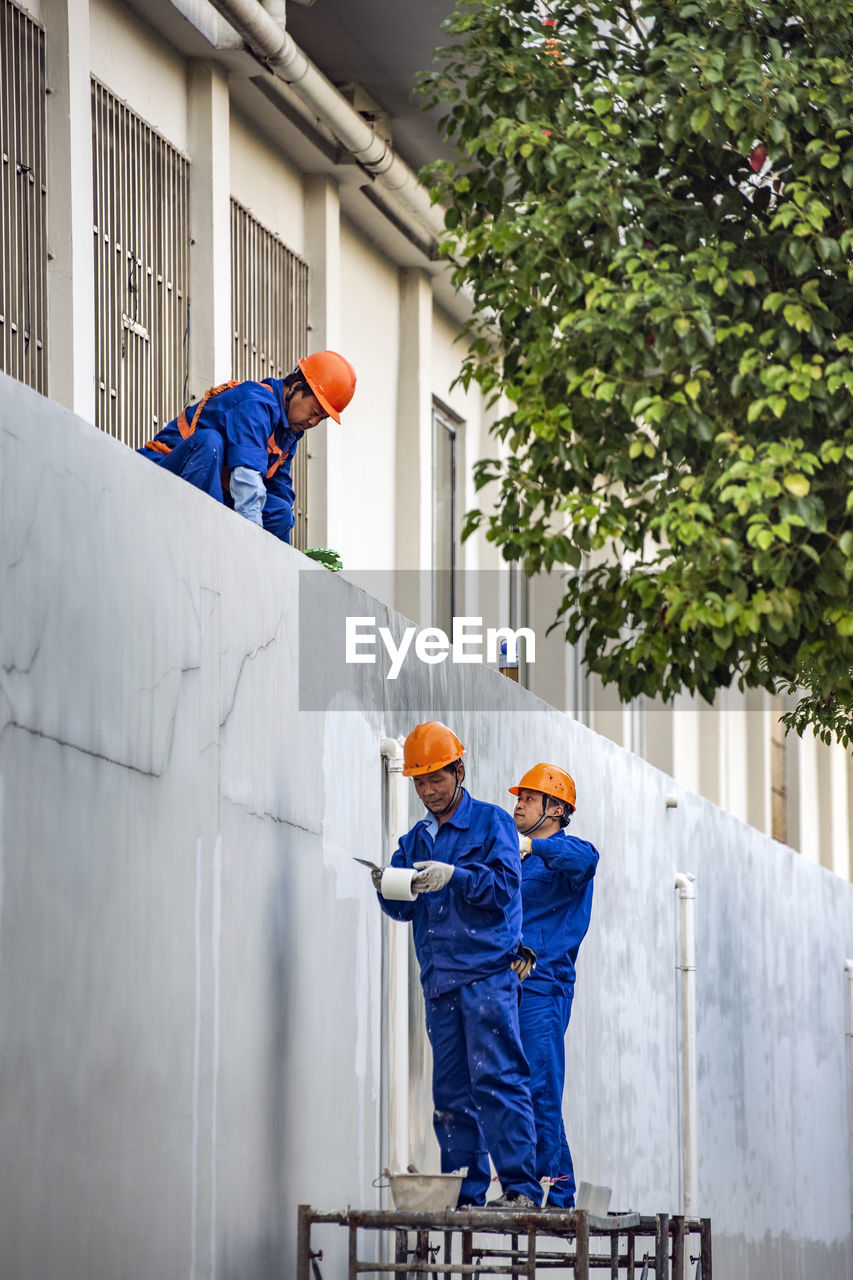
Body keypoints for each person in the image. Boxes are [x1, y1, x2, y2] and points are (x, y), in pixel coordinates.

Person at [374, 721, 542, 1210]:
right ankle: (467, 1195)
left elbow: (503, 890)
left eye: (436, 779)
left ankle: (521, 1191)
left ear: (459, 771)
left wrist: (455, 876)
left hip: (488, 976)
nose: (427, 791)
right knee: (450, 1096)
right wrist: (389, 887)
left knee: (498, 1080)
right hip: (441, 984)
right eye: (420, 782)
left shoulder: (492, 823)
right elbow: (405, 910)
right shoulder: (414, 842)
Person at [137, 350, 356, 543]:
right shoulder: (257, 402)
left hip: (214, 495)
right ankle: (214, 543)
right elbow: (246, 475)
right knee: (209, 442)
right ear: (297, 388)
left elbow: (278, 492)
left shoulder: (288, 433)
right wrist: (250, 545)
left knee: (280, 513)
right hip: (165, 471)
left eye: (322, 418)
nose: (313, 422)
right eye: (315, 412)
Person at [509, 764, 599, 1210]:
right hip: (509, 984)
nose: (518, 805)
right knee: (513, 1085)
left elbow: (586, 860)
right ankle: (535, 1187)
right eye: (519, 797)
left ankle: (556, 1191)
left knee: (541, 1084)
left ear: (557, 808)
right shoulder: (520, 858)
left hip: (545, 985)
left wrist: (536, 846)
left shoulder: (569, 855)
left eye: (528, 798)